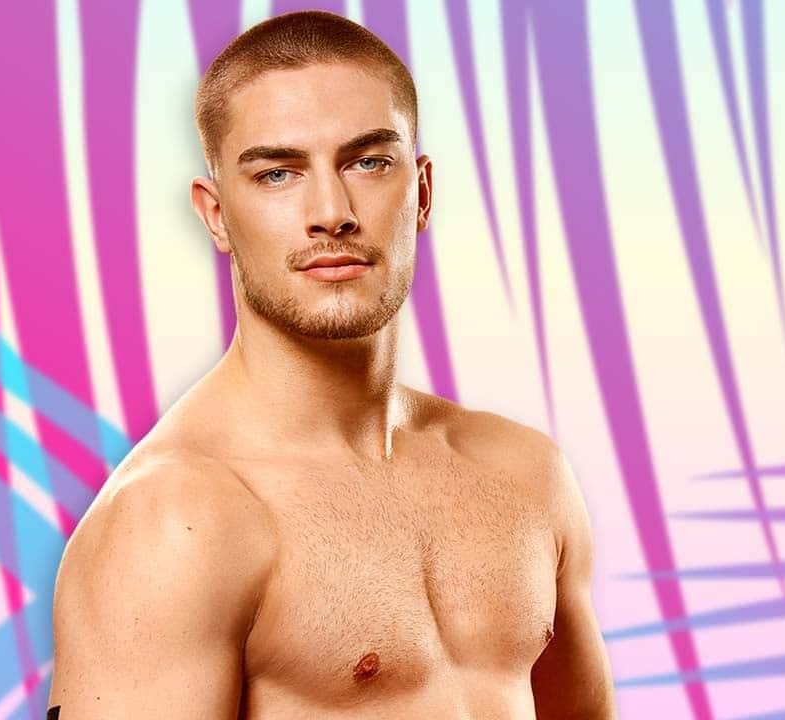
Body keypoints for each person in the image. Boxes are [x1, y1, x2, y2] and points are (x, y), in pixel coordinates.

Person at [46, 10, 617, 719]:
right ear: (217, 214)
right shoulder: (175, 525)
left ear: (422, 192)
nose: (331, 211)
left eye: (368, 162)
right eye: (278, 173)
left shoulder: (525, 476)